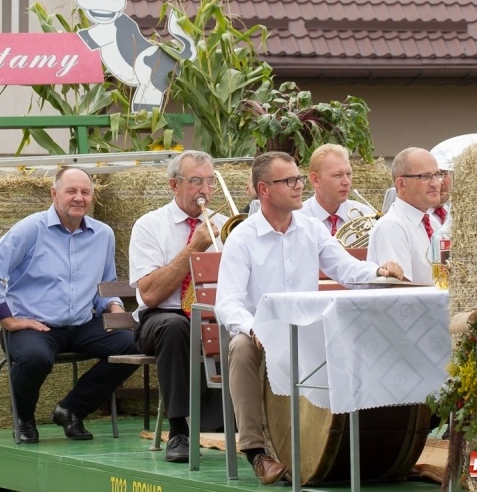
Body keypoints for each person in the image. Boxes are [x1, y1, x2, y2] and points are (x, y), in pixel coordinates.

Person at [214, 151, 404, 485]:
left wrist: (379, 269)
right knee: (241, 347)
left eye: (299, 178)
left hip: (308, 330)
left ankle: (362, 439)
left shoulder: (310, 228)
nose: (298, 186)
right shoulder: (242, 238)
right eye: (288, 181)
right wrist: (254, 326)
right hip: (262, 333)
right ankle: (256, 453)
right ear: (264, 190)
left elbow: (345, 269)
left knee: (352, 330)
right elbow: (227, 303)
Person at [0, 167, 139, 444]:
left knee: (135, 344)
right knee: (35, 358)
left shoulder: (103, 234)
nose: (78, 198)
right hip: (34, 326)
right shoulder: (31, 229)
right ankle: (24, 419)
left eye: (85, 192)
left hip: (83, 325)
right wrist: (9, 320)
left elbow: (106, 284)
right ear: (54, 194)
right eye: (71, 191)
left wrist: (115, 309)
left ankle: (72, 408)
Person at [128, 150, 227, 463]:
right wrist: (193, 249)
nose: (205, 190)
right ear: (174, 185)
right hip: (162, 318)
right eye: (195, 181)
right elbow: (150, 294)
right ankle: (179, 431)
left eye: (210, 182)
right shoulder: (149, 226)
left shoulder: (226, 225)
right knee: (175, 328)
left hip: (214, 313)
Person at [367, 147, 444, 284]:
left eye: (437, 175)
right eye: (425, 176)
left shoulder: (433, 222)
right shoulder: (392, 227)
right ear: (401, 184)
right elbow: (400, 291)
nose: (435, 183)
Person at [300, 143, 378, 235]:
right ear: (315, 179)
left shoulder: (365, 215)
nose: (346, 182)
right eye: (337, 175)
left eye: (348, 174)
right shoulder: (297, 220)